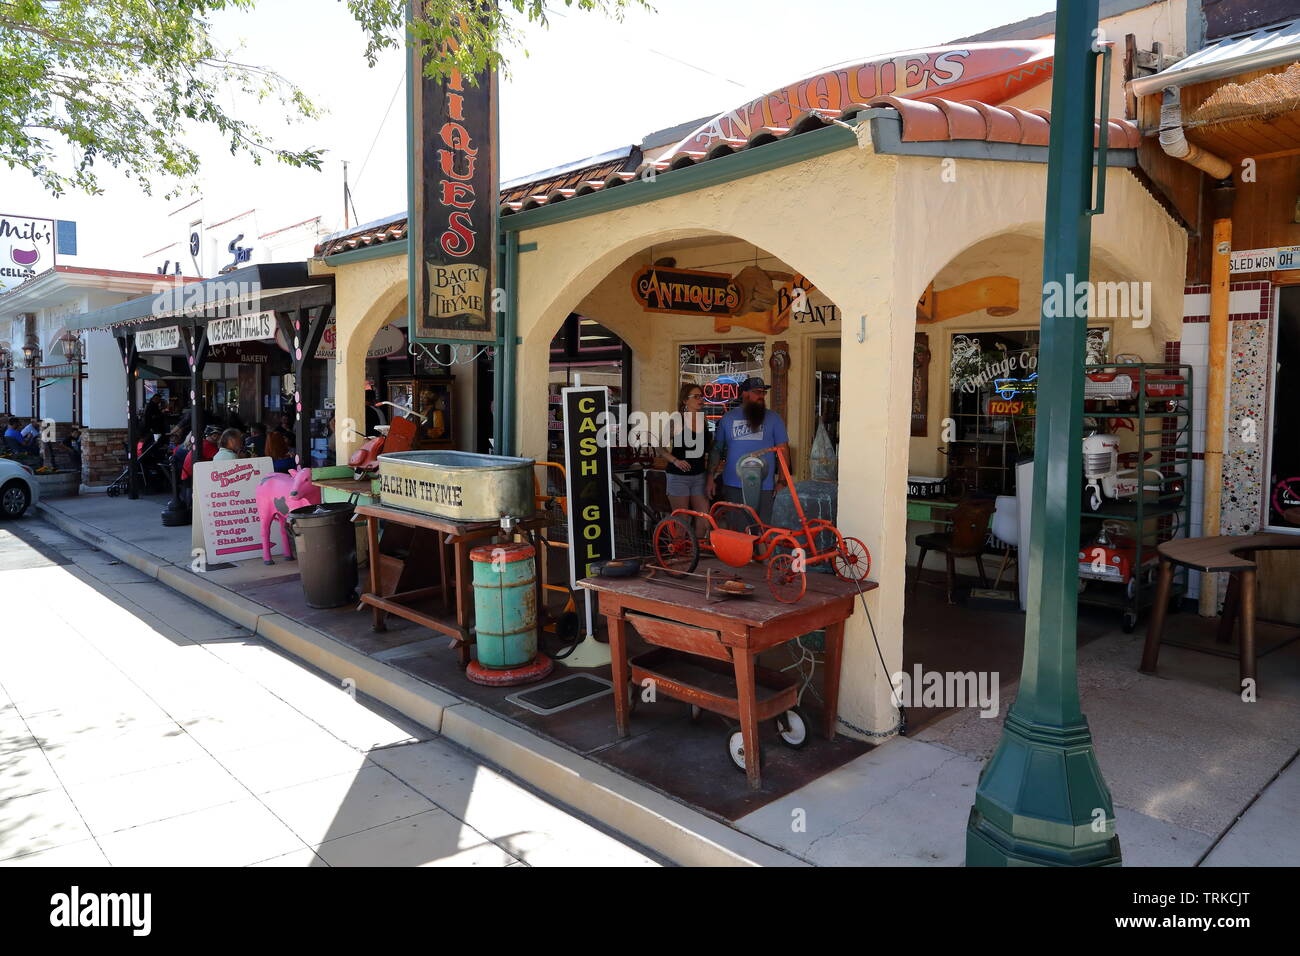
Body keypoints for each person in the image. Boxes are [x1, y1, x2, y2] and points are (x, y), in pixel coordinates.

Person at [708, 377, 789, 530]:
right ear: (744, 394)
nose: (761, 396)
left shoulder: (774, 419)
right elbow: (717, 449)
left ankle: (762, 555)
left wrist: (782, 481)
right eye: (756, 392)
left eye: (763, 392)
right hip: (734, 485)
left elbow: (783, 451)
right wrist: (710, 478)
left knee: (764, 530)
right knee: (737, 531)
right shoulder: (728, 418)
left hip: (764, 486)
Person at [662, 384, 712, 536]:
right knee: (682, 522)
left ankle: (694, 554)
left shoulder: (703, 421)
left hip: (699, 476)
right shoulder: (677, 420)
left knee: (704, 519)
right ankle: (679, 556)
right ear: (685, 400)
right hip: (678, 477)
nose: (700, 399)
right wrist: (675, 460)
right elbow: (659, 446)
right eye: (696, 396)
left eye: (701, 396)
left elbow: (707, 447)